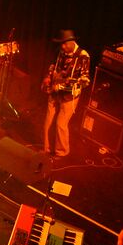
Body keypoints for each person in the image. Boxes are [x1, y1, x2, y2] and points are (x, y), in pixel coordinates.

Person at [41, 29, 90, 158]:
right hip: (54, 91)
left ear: (72, 42)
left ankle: (62, 152)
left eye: (64, 43)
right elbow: (54, 66)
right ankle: (46, 149)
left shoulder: (83, 56)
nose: (62, 46)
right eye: (61, 44)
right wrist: (48, 77)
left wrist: (63, 86)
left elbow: (84, 80)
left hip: (69, 95)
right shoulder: (61, 51)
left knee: (61, 124)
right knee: (48, 122)